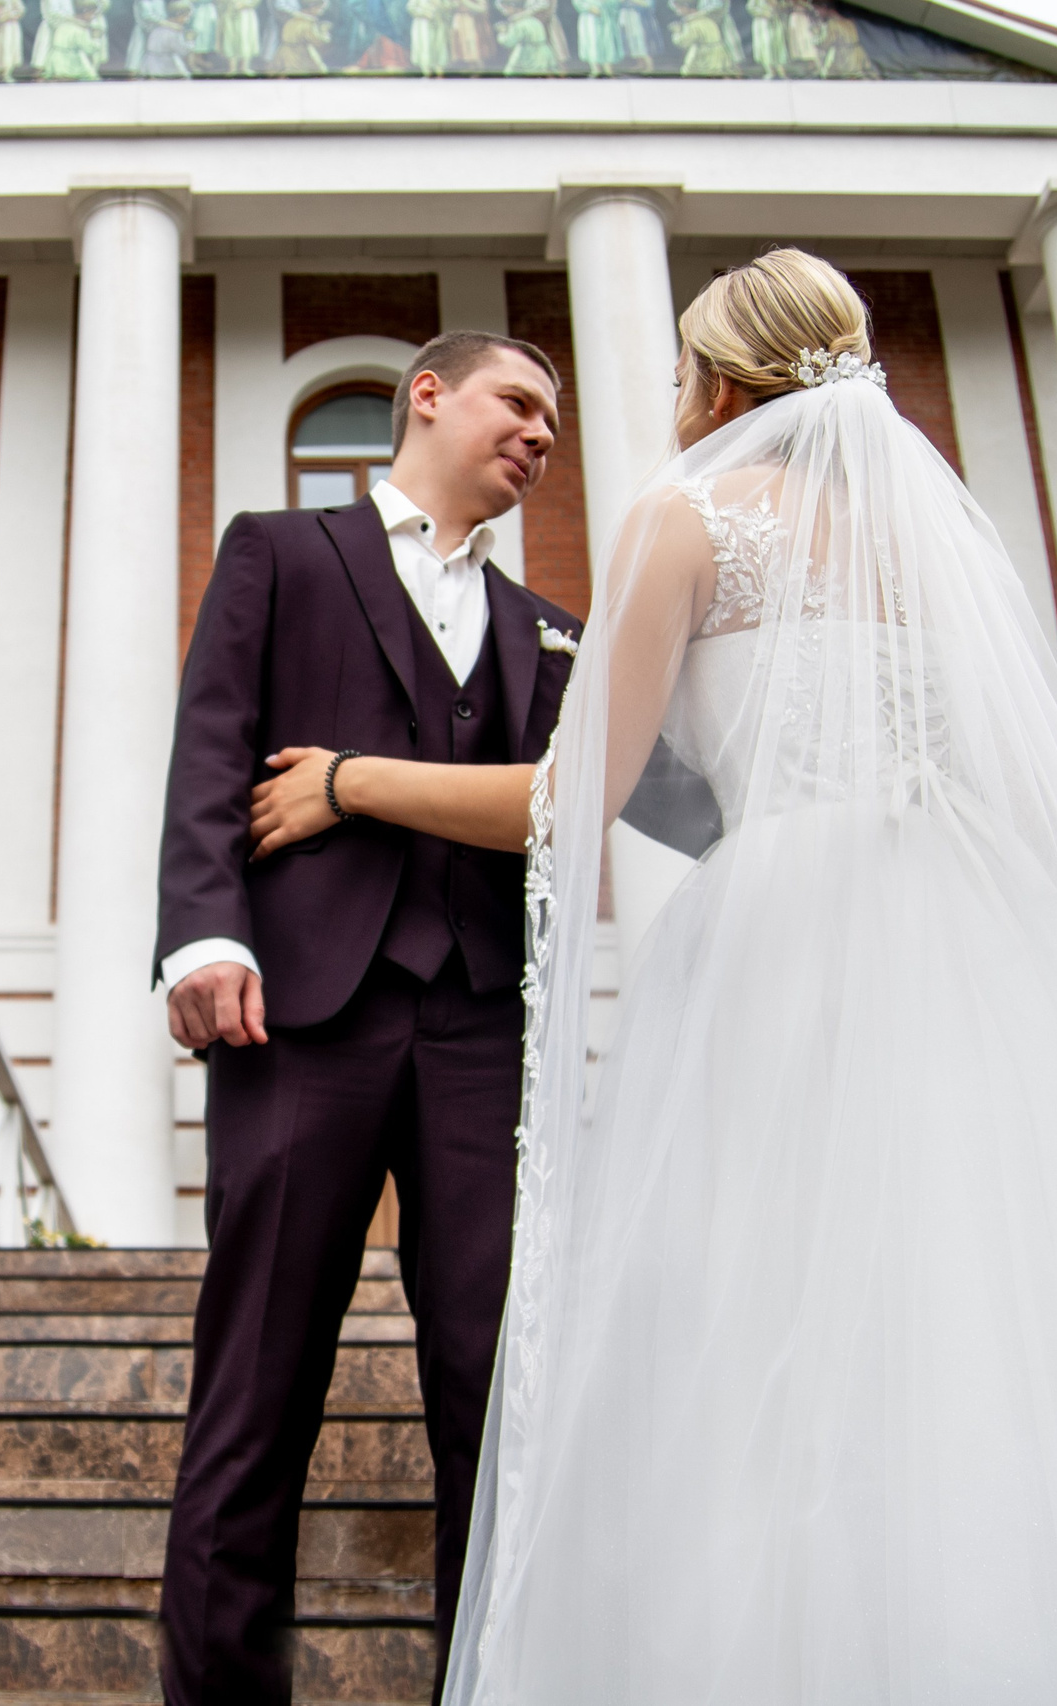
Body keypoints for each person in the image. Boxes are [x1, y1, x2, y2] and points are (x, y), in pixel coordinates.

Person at [246, 248, 1057, 1702]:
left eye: (681, 370)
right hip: (981, 929)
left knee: (775, 1311)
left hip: (788, 933)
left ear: (721, 382)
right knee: (996, 1298)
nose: (673, 395)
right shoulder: (940, 538)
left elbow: (568, 804)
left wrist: (352, 778)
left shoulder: (687, 517)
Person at [153, 330, 716, 1705]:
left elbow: (666, 796)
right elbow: (212, 744)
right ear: (427, 395)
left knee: (495, 1391)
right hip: (300, 1017)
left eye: (554, 422)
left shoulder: (549, 628)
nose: (540, 434)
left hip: (483, 1032)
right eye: (518, 402)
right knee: (256, 1393)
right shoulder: (280, 552)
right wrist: (204, 935)